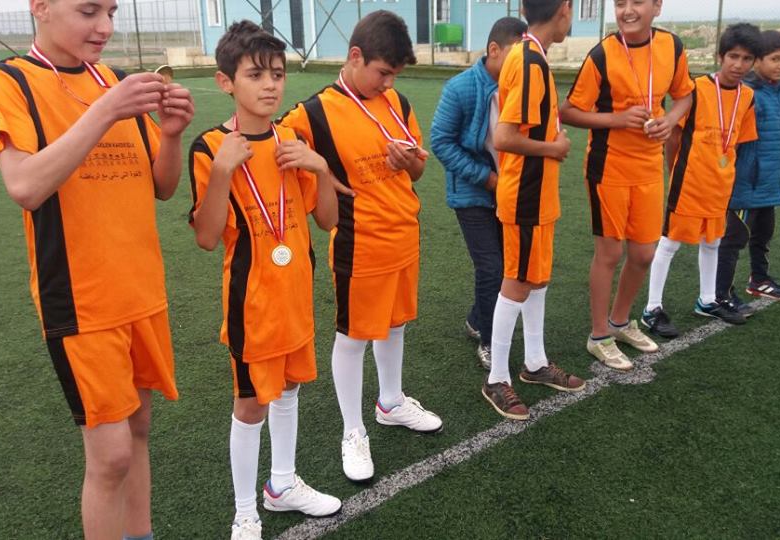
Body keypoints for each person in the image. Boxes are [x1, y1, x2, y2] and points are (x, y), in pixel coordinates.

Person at [0, 0, 194, 538]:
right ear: (41, 8)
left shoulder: (114, 82)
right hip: (80, 301)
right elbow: (25, 186)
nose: (105, 27)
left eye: (112, 12)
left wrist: (170, 134)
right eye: (89, 10)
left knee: (139, 429)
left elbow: (163, 187)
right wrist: (105, 110)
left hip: (141, 289)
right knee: (111, 455)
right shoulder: (9, 80)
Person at [188, 21, 347, 539]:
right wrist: (222, 173)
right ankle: (245, 512)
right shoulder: (212, 147)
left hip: (296, 294)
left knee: (289, 388)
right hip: (252, 304)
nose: (270, 84)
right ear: (225, 82)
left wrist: (320, 168)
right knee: (252, 402)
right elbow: (207, 237)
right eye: (255, 74)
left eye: (277, 73)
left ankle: (282, 484)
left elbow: (328, 220)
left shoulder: (293, 141)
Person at [279, 10, 442, 483]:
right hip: (360, 242)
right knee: (352, 337)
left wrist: (408, 163)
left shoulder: (398, 102)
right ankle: (353, 430)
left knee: (395, 324)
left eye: (394, 75)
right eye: (383, 72)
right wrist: (318, 169)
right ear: (355, 56)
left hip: (404, 235)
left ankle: (390, 402)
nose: (388, 83)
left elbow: (419, 170)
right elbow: (274, 145)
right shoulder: (313, 112)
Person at [560, 0, 694, 371]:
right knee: (609, 253)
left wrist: (670, 120)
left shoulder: (671, 46)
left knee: (644, 254)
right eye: (620, 3)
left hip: (649, 167)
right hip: (609, 168)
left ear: (657, 7)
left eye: (637, 2)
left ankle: (620, 322)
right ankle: (599, 335)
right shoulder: (602, 54)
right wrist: (618, 119)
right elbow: (567, 111)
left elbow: (685, 94)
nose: (627, 10)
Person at [480, 0, 585, 422]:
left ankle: (535, 363)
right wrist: (552, 148)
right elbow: (504, 137)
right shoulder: (527, 61)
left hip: (539, 194)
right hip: (525, 193)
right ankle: (496, 378)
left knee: (536, 279)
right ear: (564, 9)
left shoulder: (531, 54)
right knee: (518, 281)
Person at [641, 23, 761, 337]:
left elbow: (738, 141)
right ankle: (652, 308)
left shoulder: (748, 97)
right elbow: (673, 136)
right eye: (733, 56)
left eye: (746, 59)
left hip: (720, 184)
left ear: (753, 62)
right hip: (689, 181)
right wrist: (675, 172)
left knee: (713, 241)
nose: (738, 64)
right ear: (720, 56)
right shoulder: (695, 89)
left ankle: (707, 300)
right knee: (670, 242)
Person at [430, 16, 528, 371]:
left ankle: (476, 319)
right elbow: (440, 141)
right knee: (492, 267)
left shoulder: (524, 87)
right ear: (494, 50)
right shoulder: (460, 88)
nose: (522, 65)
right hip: (473, 195)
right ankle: (488, 339)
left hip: (511, 191)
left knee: (507, 264)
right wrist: (486, 178)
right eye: (516, 56)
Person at [716, 30, 780, 310]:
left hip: (769, 181)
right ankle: (721, 292)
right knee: (734, 238)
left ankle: (759, 279)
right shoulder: (747, 94)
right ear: (757, 61)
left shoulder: (777, 91)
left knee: (763, 234)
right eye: (775, 58)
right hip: (746, 182)